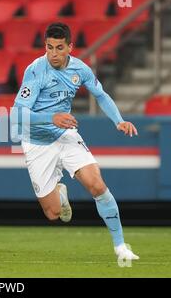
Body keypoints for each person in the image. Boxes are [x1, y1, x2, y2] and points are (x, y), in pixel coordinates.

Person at [12, 22, 139, 262]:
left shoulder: (80, 70)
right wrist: (52, 117)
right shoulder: (35, 71)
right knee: (53, 214)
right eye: (49, 48)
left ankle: (121, 246)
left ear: (70, 47)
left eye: (59, 48)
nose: (53, 54)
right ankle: (59, 192)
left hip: (65, 136)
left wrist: (118, 120)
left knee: (97, 185)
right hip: (37, 143)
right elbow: (16, 115)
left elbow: (100, 94)